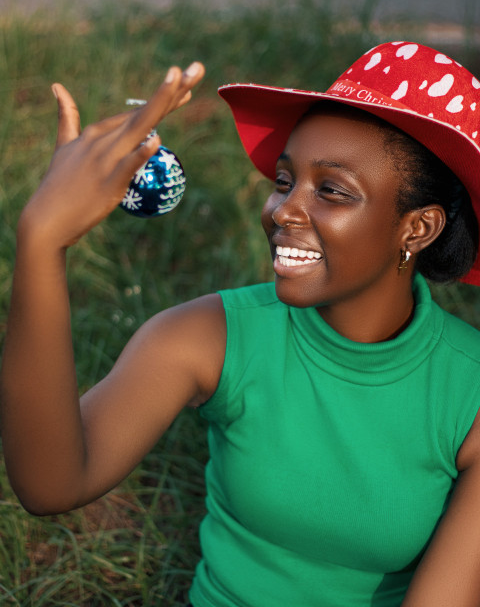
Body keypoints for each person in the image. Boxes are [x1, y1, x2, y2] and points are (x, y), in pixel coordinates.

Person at [2, 41, 480, 607]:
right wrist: (41, 243)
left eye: (330, 190)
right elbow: (52, 483)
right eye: (284, 181)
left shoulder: (467, 388)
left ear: (418, 228)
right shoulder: (213, 335)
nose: (283, 211)